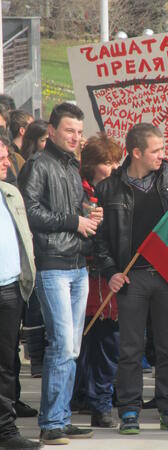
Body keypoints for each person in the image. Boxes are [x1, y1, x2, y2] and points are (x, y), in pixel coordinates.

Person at [94, 123, 168, 435]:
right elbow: (100, 241)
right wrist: (111, 271)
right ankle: (129, 410)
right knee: (130, 348)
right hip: (131, 279)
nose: (162, 155)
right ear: (136, 152)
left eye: (162, 149)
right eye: (155, 150)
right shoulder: (108, 189)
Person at [19, 103, 102, 445]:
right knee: (61, 346)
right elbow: (30, 210)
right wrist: (75, 221)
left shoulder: (71, 165)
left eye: (80, 132)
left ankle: (61, 417)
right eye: (70, 131)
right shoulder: (38, 165)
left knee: (72, 347)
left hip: (78, 264)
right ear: (50, 130)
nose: (76, 138)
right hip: (52, 264)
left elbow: (67, 209)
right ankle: (51, 422)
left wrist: (87, 213)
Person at [73, 134, 122, 428]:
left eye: (116, 161)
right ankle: (84, 397)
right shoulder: (79, 192)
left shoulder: (116, 190)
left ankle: (100, 402)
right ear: (91, 165)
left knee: (106, 342)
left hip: (109, 276)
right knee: (81, 343)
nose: (114, 167)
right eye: (107, 162)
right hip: (85, 274)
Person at [0, 135, 41, 449]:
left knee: (6, 364)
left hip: (10, 289)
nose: (6, 163)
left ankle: (5, 432)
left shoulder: (10, 192)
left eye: (6, 156)